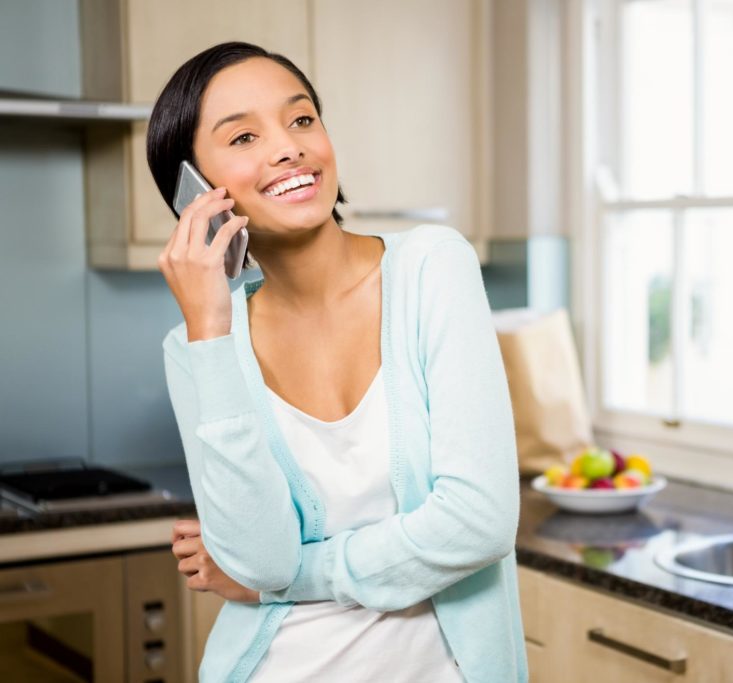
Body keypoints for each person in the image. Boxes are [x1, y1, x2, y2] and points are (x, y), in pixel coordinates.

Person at [148, 42, 526, 682]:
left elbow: (479, 522)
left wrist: (301, 574)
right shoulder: (195, 346)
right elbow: (260, 558)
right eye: (243, 136)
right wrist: (209, 330)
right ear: (196, 193)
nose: (289, 146)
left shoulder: (433, 265)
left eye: (301, 120)